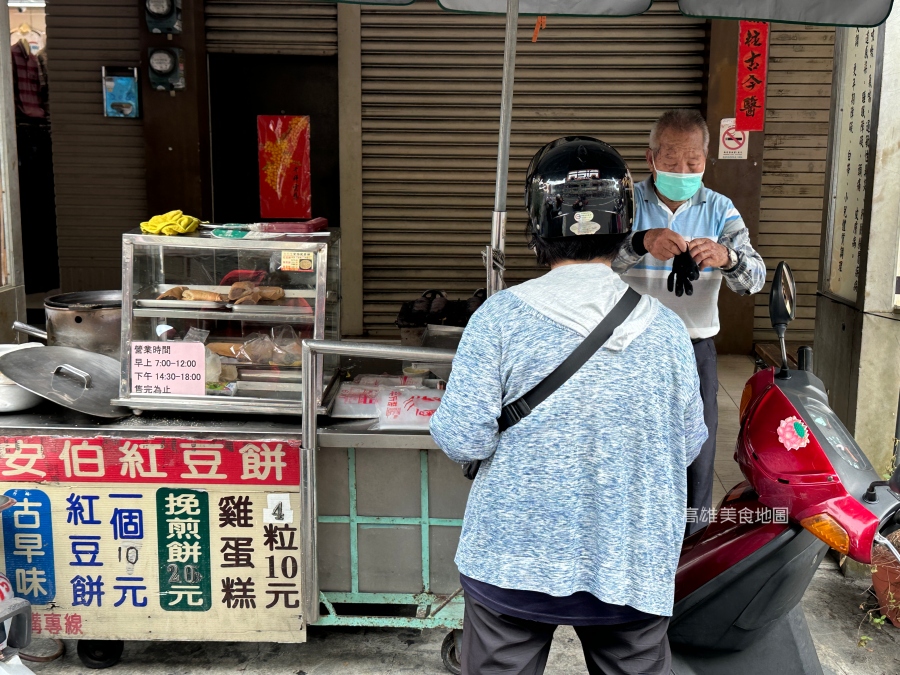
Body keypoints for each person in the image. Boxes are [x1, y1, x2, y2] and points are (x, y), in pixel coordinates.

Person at [430, 137, 707, 675]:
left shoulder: (499, 319)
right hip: (630, 565)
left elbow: (464, 438)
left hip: (512, 560)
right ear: (624, 222)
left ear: (537, 225)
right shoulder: (668, 331)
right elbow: (688, 443)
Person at [613, 109, 765, 536]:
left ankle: (690, 544)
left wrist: (727, 256)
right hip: (628, 347)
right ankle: (631, 534)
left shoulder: (720, 209)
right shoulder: (625, 203)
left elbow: (753, 278)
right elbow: (593, 265)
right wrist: (639, 243)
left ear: (706, 158)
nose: (683, 170)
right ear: (651, 157)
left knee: (696, 453)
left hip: (694, 350)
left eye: (693, 162)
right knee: (628, 445)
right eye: (673, 160)